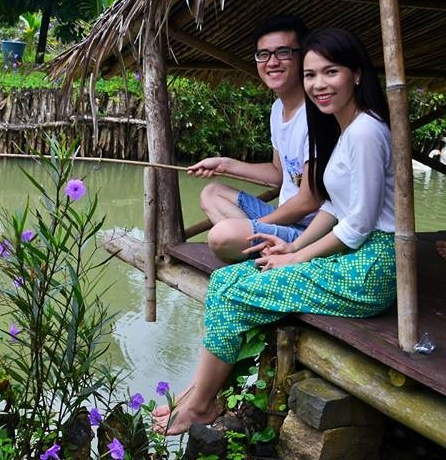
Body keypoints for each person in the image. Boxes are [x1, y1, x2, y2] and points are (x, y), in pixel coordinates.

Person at [155, 27, 396, 434]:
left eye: (330, 72)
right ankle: (201, 394)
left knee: (230, 287)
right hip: (352, 255)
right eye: (311, 75)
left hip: (369, 268)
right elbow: (334, 205)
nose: (319, 84)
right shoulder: (345, 129)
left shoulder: (368, 132)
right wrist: (292, 247)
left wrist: (296, 256)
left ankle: (199, 403)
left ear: (356, 75)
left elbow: (358, 223)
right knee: (228, 282)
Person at [187, 15, 320, 262]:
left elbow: (309, 200)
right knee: (211, 193)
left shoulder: (317, 114)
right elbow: (278, 173)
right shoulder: (277, 109)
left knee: (221, 236)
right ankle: (267, 246)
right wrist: (224, 165)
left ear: (303, 56)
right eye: (263, 55)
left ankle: (274, 248)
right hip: (287, 218)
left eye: (283, 52)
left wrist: (257, 225)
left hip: (314, 231)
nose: (272, 62)